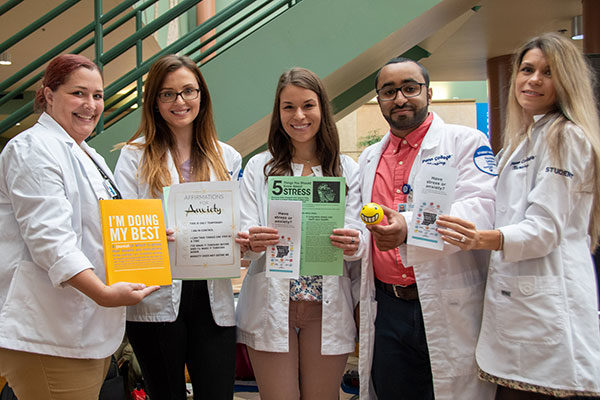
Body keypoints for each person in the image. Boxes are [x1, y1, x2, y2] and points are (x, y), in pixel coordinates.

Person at [436, 32, 600, 399]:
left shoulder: (566, 137)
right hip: (518, 311)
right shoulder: (520, 142)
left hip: (548, 311)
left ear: (567, 81)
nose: (534, 80)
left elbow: (544, 230)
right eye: (527, 69)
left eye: (548, 72)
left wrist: (480, 239)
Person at [0, 54, 159, 400]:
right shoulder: (32, 149)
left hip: (84, 331)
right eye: (78, 93)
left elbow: (98, 228)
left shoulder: (89, 154)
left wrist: (147, 237)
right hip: (48, 332)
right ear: (48, 94)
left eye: (98, 95)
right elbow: (51, 241)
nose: (90, 105)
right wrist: (103, 294)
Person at [357, 56, 498, 400]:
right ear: (379, 100)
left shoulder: (465, 142)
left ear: (429, 92)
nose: (400, 98)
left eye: (410, 88)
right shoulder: (368, 159)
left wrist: (408, 226)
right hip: (387, 308)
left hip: (446, 298)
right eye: (388, 91)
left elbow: (484, 207)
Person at [114, 54, 241, 400]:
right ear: (154, 101)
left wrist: (242, 237)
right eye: (167, 94)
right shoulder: (133, 156)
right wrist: (149, 233)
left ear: (202, 95)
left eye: (188, 91)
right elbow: (122, 229)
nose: (180, 101)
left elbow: (239, 219)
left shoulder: (227, 156)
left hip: (212, 299)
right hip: (156, 298)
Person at [234, 67, 363, 400]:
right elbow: (245, 233)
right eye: (288, 107)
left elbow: (361, 233)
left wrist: (354, 242)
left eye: (308, 105)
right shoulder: (259, 168)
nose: (299, 115)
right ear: (278, 113)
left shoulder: (346, 170)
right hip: (272, 304)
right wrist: (252, 240)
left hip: (326, 306)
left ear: (322, 109)